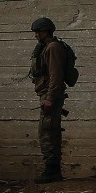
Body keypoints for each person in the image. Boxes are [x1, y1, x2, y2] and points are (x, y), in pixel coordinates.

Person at [29, 16, 72, 182]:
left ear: (46, 31)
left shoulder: (53, 47)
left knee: (47, 132)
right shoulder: (46, 47)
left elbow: (56, 75)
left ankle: (52, 170)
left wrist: (50, 98)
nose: (36, 36)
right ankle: (52, 170)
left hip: (50, 95)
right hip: (47, 94)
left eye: (38, 32)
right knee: (49, 131)